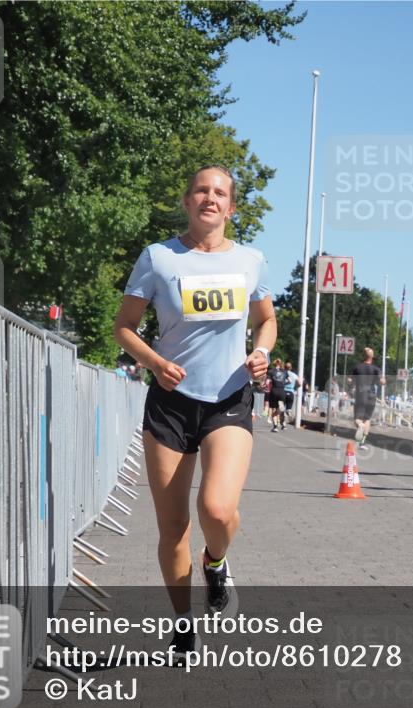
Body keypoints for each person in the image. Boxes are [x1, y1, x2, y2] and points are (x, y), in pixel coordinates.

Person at [112, 165, 275, 658]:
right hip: (171, 403)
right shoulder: (159, 258)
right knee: (172, 526)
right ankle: (183, 625)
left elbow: (266, 321)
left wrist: (262, 353)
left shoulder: (251, 260)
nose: (210, 198)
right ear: (187, 201)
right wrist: (156, 362)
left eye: (220, 192)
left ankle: (217, 560)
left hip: (229, 397)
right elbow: (124, 327)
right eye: (202, 190)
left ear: (231, 206)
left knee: (218, 510)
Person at [351, 347, 384, 447]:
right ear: (372, 357)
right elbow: (382, 382)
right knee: (367, 419)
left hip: (361, 395)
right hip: (372, 397)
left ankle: (360, 426)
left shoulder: (357, 368)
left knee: (357, 419)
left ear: (363, 356)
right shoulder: (376, 369)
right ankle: (362, 442)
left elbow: (352, 381)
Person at [266, 358, 288, 431]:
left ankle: (275, 427)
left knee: (273, 408)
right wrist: (283, 384)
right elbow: (289, 381)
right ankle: (283, 421)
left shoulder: (271, 371)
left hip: (274, 391)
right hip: (282, 391)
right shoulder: (285, 372)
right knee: (280, 408)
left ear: (274, 364)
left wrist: (264, 386)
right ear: (281, 363)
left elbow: (267, 382)